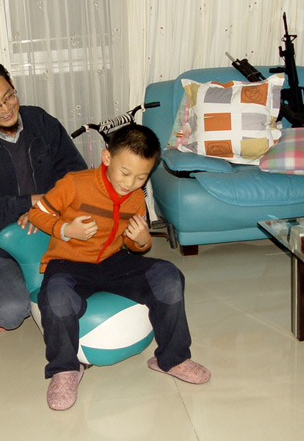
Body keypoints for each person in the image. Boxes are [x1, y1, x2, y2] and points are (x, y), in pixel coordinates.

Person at [28, 123, 211, 411]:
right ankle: (65, 369)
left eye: (141, 177)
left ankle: (172, 359)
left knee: (168, 275)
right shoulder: (74, 183)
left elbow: (134, 244)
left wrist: (142, 240)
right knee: (56, 297)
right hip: (68, 262)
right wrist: (66, 229)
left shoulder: (136, 197)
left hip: (113, 262)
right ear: (106, 158)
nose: (130, 183)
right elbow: (36, 214)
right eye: (125, 173)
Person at [0, 59, 87, 332]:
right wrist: (25, 204)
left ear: (12, 84)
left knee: (93, 284)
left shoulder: (42, 122)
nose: (6, 109)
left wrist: (45, 208)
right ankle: (5, 292)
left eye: (8, 96)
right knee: (9, 313)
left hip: (53, 230)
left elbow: (77, 178)